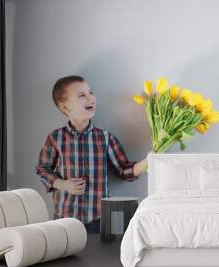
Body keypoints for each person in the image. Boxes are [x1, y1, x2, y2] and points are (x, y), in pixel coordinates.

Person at [36, 75, 148, 233]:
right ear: (65, 107)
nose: (91, 98)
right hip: (63, 219)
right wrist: (63, 184)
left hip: (99, 219)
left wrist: (148, 161)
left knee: (99, 256)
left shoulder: (105, 138)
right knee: (65, 256)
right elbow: (42, 169)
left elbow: (123, 170)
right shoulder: (55, 138)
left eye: (91, 92)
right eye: (82, 95)